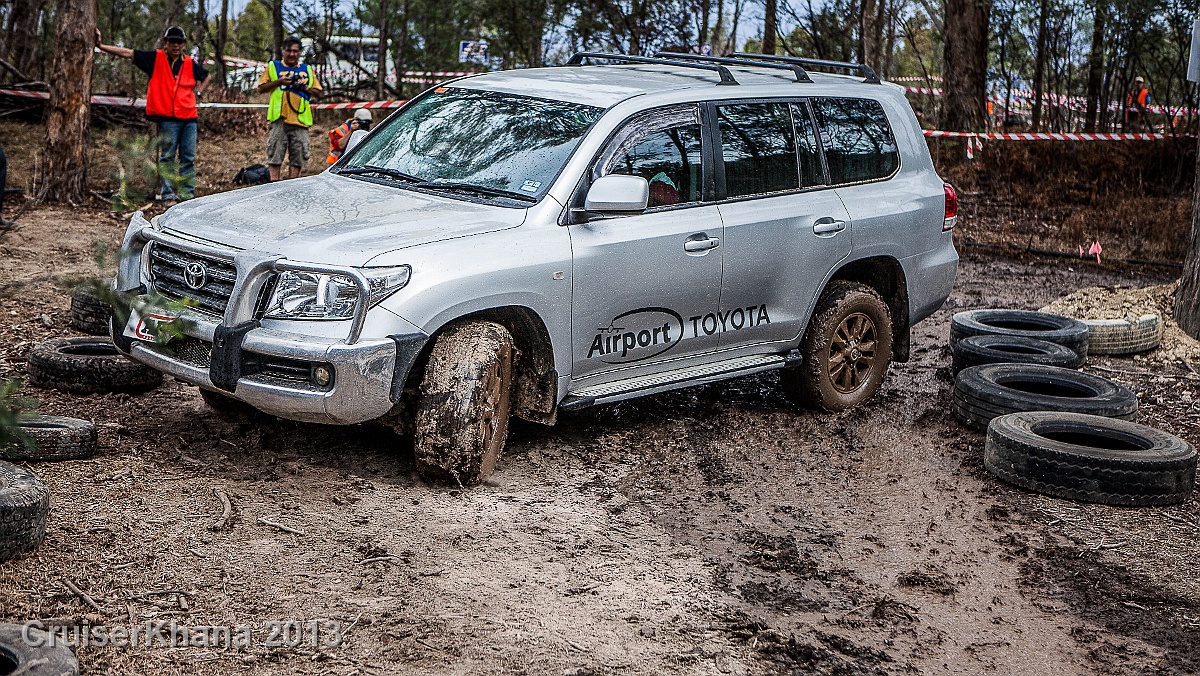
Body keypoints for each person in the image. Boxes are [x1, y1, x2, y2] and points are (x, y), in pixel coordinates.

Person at [96, 26, 210, 203]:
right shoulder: (155, 58)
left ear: (184, 44)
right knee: (167, 157)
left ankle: (187, 196)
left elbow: (206, 76)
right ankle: (168, 194)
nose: (175, 45)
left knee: (188, 158)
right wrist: (101, 46)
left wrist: (199, 93)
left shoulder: (189, 63)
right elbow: (128, 53)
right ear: (165, 43)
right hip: (168, 119)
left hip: (189, 117)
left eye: (179, 42)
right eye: (172, 41)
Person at [257, 37, 323, 180]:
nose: (292, 54)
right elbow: (261, 88)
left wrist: (305, 88)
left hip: (300, 120)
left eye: (295, 51)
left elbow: (318, 93)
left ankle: (293, 184)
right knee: (275, 154)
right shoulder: (273, 67)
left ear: (300, 53)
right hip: (279, 118)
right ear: (282, 51)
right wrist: (279, 82)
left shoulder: (306, 69)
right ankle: (274, 184)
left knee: (299, 156)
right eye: (288, 50)